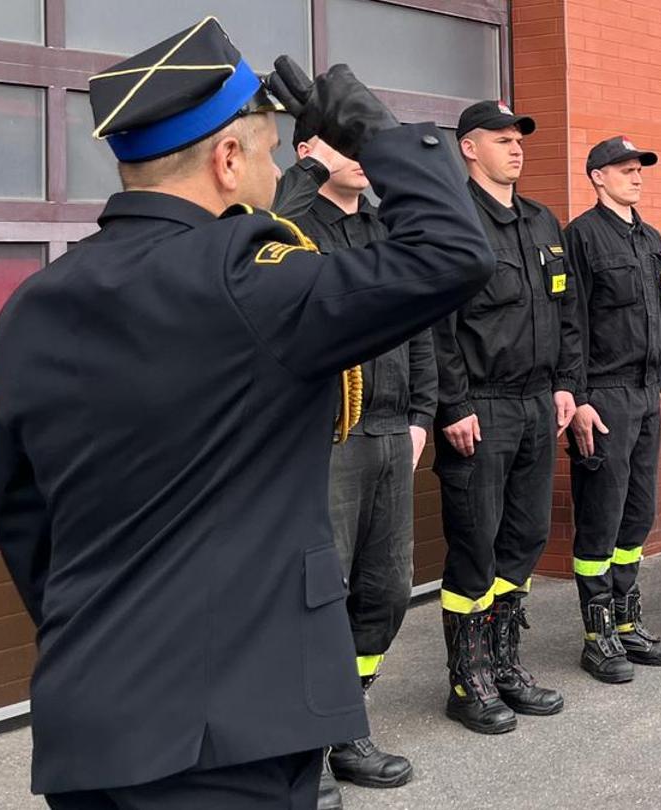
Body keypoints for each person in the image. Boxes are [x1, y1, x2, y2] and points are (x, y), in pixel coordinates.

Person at [0, 19, 492, 808]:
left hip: (91, 722)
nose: (269, 170)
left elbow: (25, 522)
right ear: (227, 159)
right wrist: (376, 134)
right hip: (233, 730)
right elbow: (455, 254)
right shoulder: (255, 284)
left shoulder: (33, 305)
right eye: (262, 152)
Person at [273, 123, 427, 799]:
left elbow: (418, 324)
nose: (366, 159)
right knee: (316, 595)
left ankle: (346, 720)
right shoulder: (291, 227)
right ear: (309, 152)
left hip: (394, 432)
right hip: (325, 439)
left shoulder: (384, 229)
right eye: (347, 145)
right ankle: (298, 749)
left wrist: (422, 416)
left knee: (387, 590)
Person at [431, 100, 574, 734]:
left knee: (524, 535)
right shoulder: (451, 221)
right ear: (468, 147)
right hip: (481, 407)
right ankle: (470, 679)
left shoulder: (543, 221)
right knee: (475, 541)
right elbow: (437, 324)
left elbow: (569, 313)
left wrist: (567, 386)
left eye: (519, 138)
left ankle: (506, 661)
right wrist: (453, 404)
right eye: (500, 138)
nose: (515, 148)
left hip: (538, 404)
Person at [557, 135, 661, 684]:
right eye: (624, 169)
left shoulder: (651, 238)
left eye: (639, 170)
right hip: (604, 393)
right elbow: (572, 325)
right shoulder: (581, 237)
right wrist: (579, 399)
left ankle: (628, 618)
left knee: (638, 512)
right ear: (597, 177)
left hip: (646, 391)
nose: (636, 177)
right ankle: (597, 630)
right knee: (602, 514)